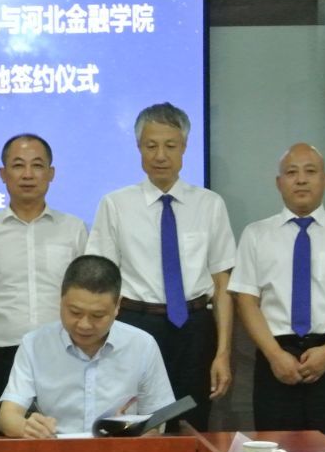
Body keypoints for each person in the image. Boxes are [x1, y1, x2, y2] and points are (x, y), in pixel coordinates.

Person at [86, 102, 234, 431]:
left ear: (184, 147)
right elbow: (102, 281)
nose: (160, 156)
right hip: (136, 324)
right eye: (151, 146)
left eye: (170, 146)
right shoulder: (116, 204)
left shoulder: (209, 204)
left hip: (195, 328)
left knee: (192, 425)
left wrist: (223, 352)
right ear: (139, 147)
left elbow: (222, 283)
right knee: (135, 423)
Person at [228, 143, 325, 440]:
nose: (301, 180)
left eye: (310, 172)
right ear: (279, 183)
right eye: (291, 173)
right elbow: (246, 301)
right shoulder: (256, 234)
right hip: (275, 357)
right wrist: (274, 355)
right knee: (275, 451)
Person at [0, 133, 87, 435]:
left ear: (51, 173)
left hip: (63, 354)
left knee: (64, 442)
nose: (28, 174)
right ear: (3, 174)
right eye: (18, 165)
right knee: (2, 448)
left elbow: (88, 295)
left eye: (37, 165)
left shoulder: (73, 229)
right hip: (1, 356)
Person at [0, 255, 174, 438]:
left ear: (117, 306)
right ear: (61, 299)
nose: (84, 325)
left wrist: (140, 434)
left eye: (97, 316)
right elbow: (7, 417)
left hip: (120, 450)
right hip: (55, 449)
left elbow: (158, 417)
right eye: (75, 312)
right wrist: (27, 427)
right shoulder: (34, 344)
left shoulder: (142, 345)